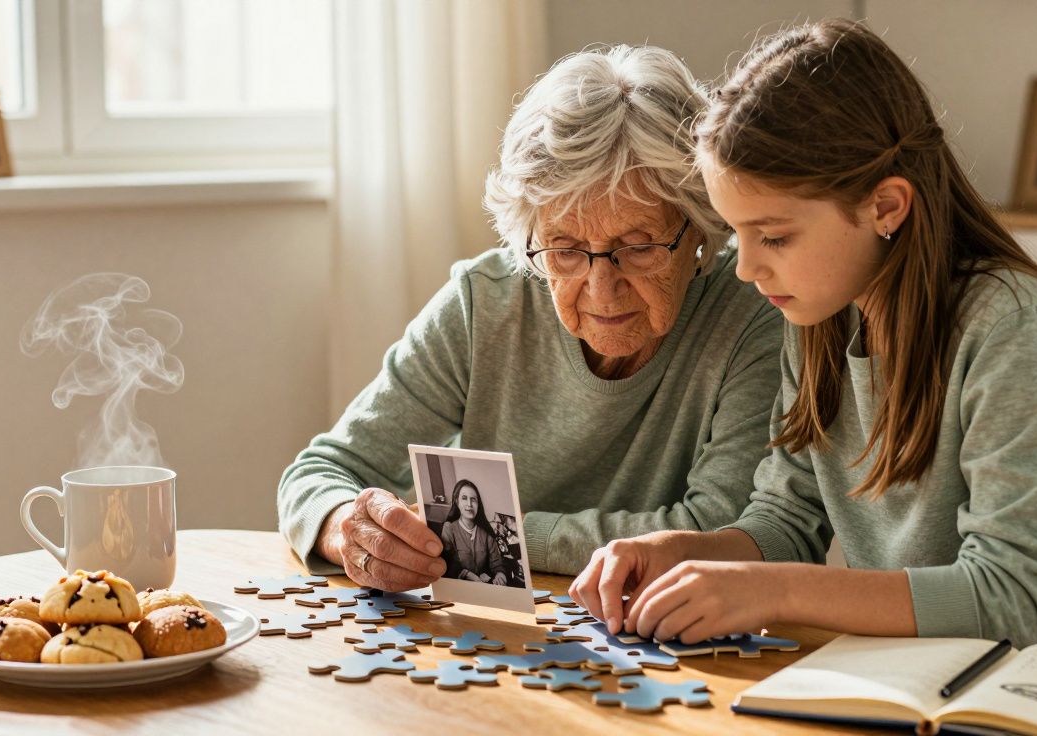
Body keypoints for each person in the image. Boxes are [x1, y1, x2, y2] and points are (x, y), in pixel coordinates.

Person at [570, 19, 1037, 664]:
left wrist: (767, 591)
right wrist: (680, 550)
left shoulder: (1012, 326)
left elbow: (1010, 596)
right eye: (738, 235)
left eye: (773, 236)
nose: (746, 268)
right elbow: (785, 524)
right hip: (925, 671)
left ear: (886, 206)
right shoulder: (818, 316)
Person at [277, 45, 783, 593]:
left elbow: (723, 532)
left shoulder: (755, 312)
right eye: (564, 250)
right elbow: (319, 473)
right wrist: (346, 528)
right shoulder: (484, 302)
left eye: (639, 247)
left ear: (699, 226)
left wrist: (493, 536)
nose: (602, 289)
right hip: (496, 639)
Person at [440, 480, 507, 585]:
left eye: (473, 499)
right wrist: (465, 574)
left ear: (478, 504)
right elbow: (445, 563)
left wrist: (500, 574)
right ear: (457, 502)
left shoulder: (486, 531)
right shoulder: (449, 529)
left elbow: (497, 563)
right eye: (464, 498)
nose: (469, 504)